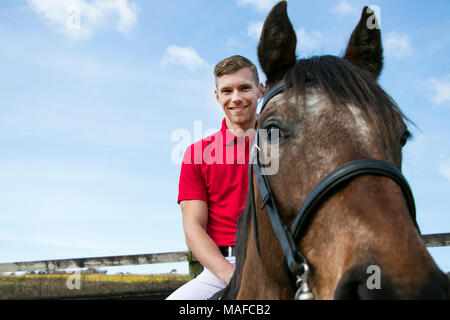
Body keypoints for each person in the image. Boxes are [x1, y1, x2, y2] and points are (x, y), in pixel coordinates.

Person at [166, 55, 264, 300]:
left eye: (244, 88)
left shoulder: (287, 145)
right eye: (227, 91)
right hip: (224, 265)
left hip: (281, 258)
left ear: (260, 90)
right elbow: (193, 228)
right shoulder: (197, 154)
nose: (236, 98)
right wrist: (232, 276)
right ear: (217, 96)